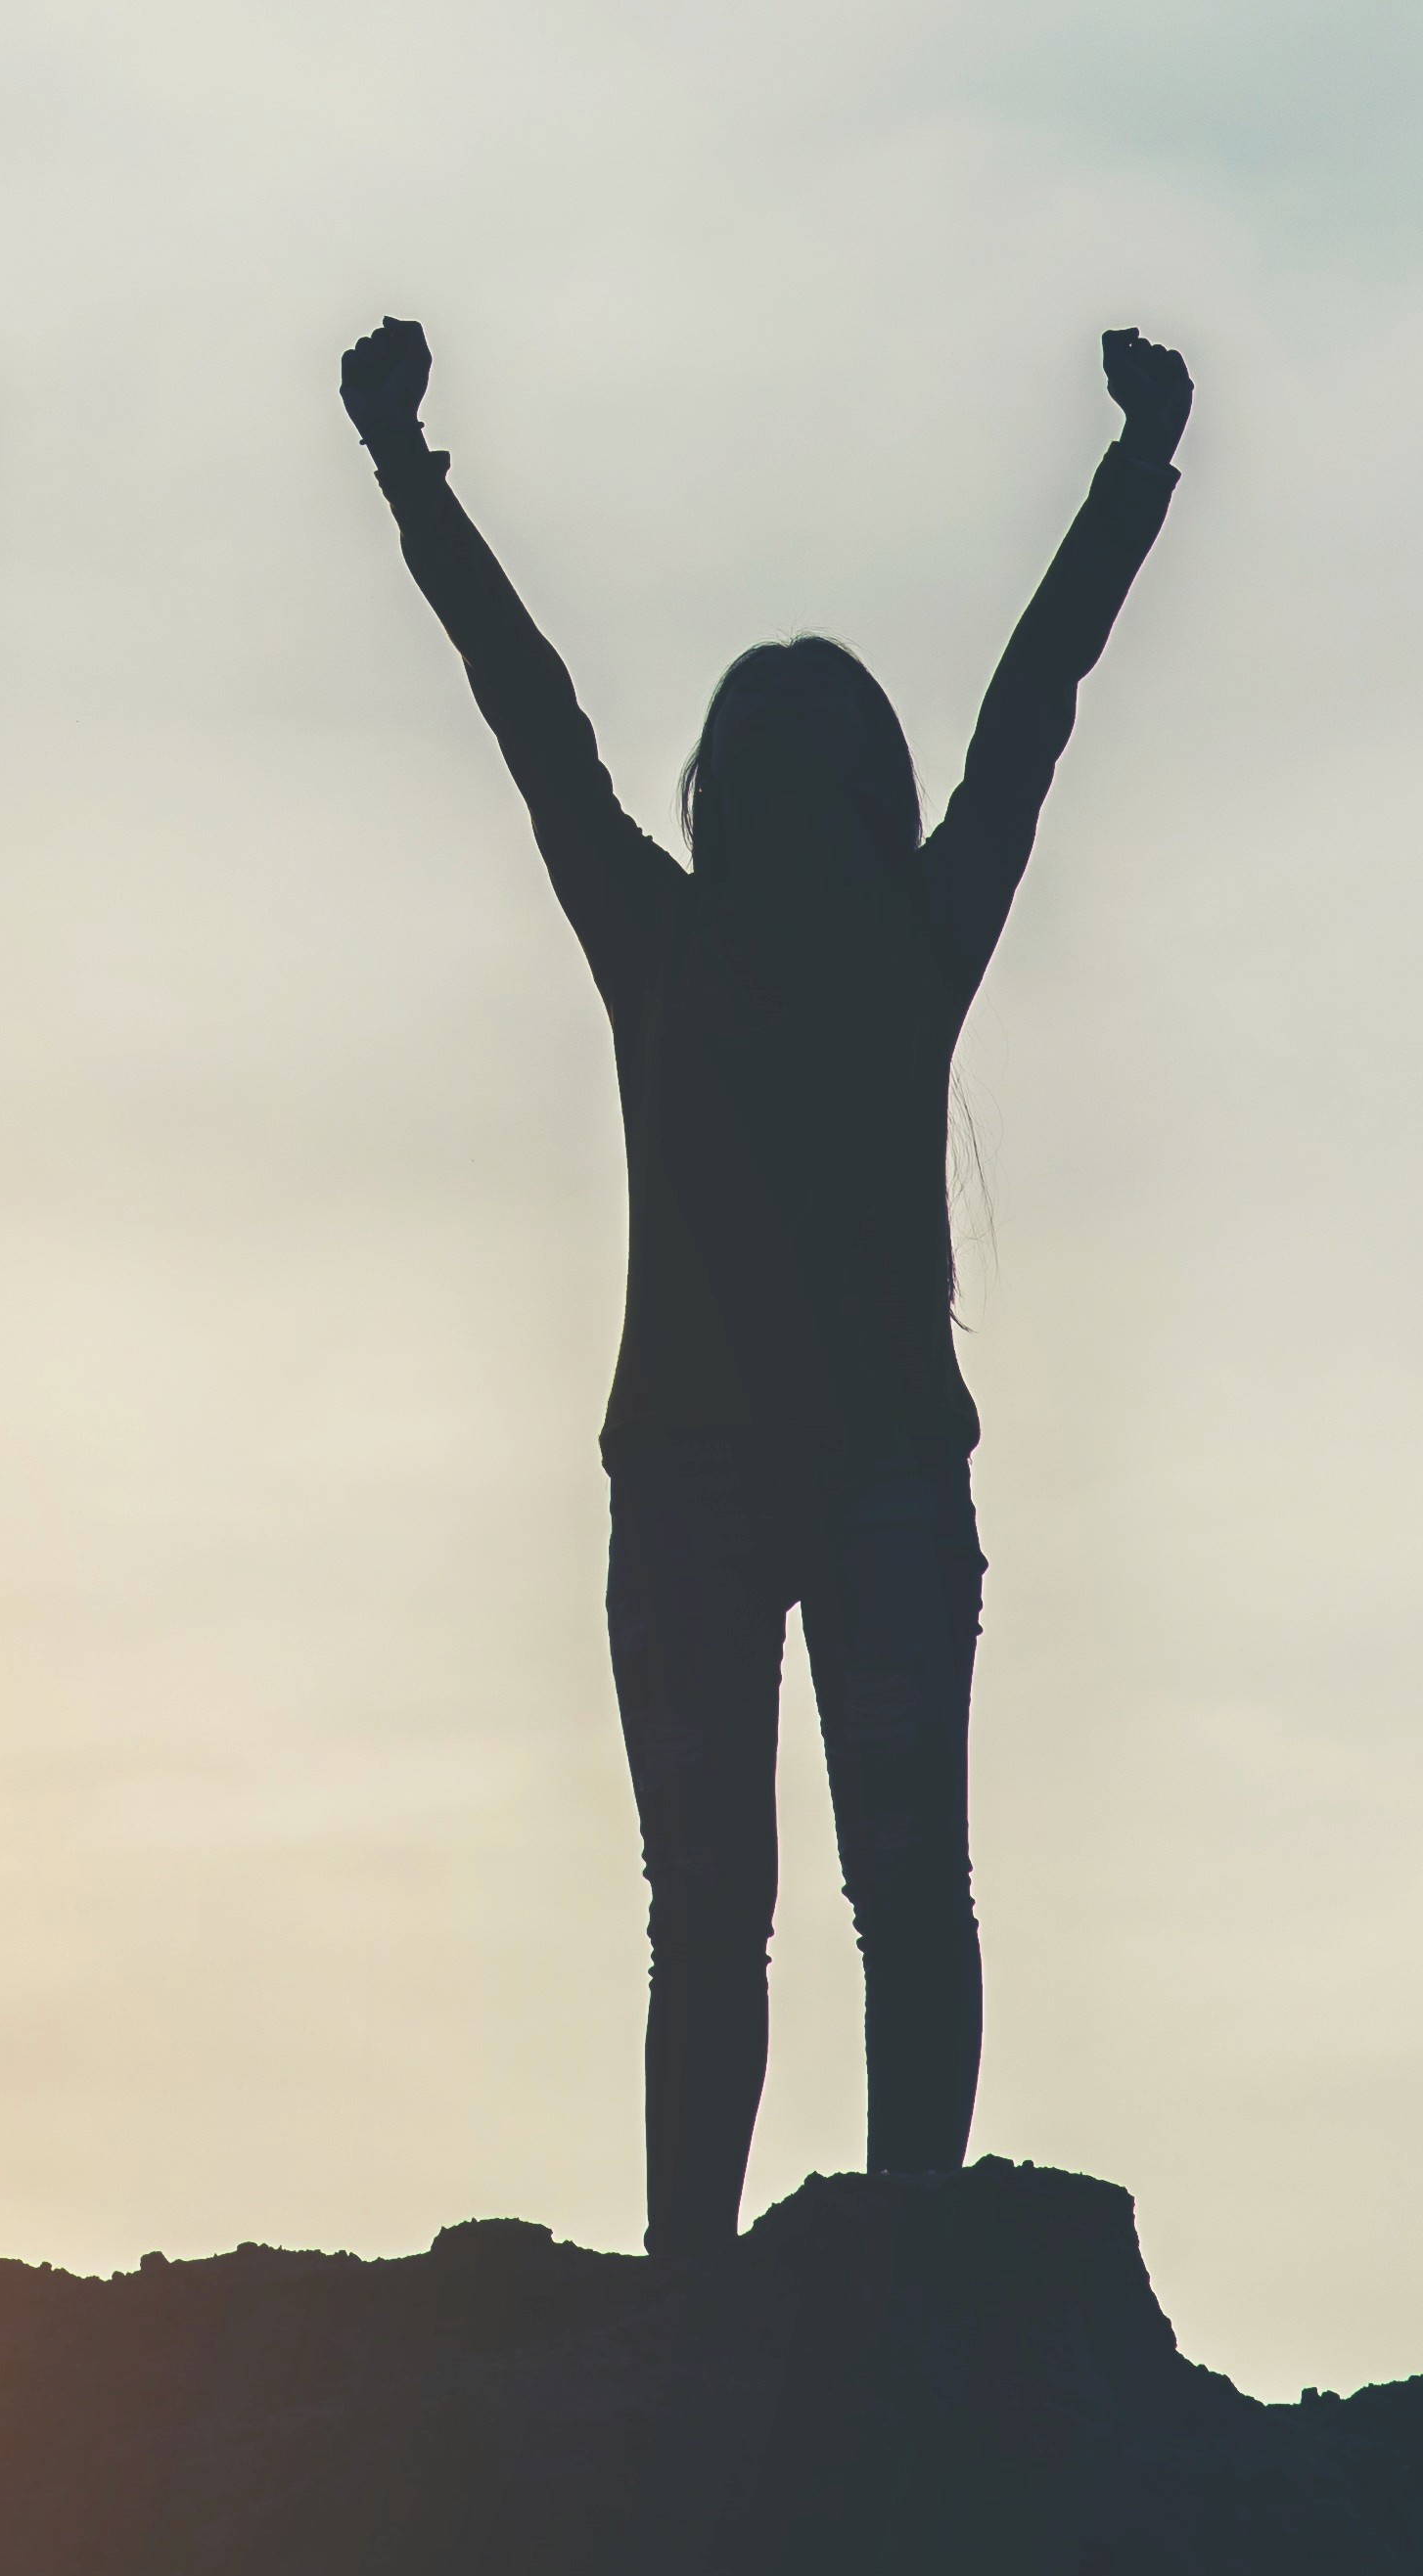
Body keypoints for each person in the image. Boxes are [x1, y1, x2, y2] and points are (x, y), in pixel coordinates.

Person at [342, 318, 1190, 2257]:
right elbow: (1033, 703)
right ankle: (892, 2260)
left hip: (712, 1486)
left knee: (711, 1913)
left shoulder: (668, 939)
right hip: (859, 1477)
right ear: (865, 792)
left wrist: (404, 465)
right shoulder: (900, 935)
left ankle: (691, 2280)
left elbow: (527, 710)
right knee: (898, 1893)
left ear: (721, 792)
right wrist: (1135, 465)